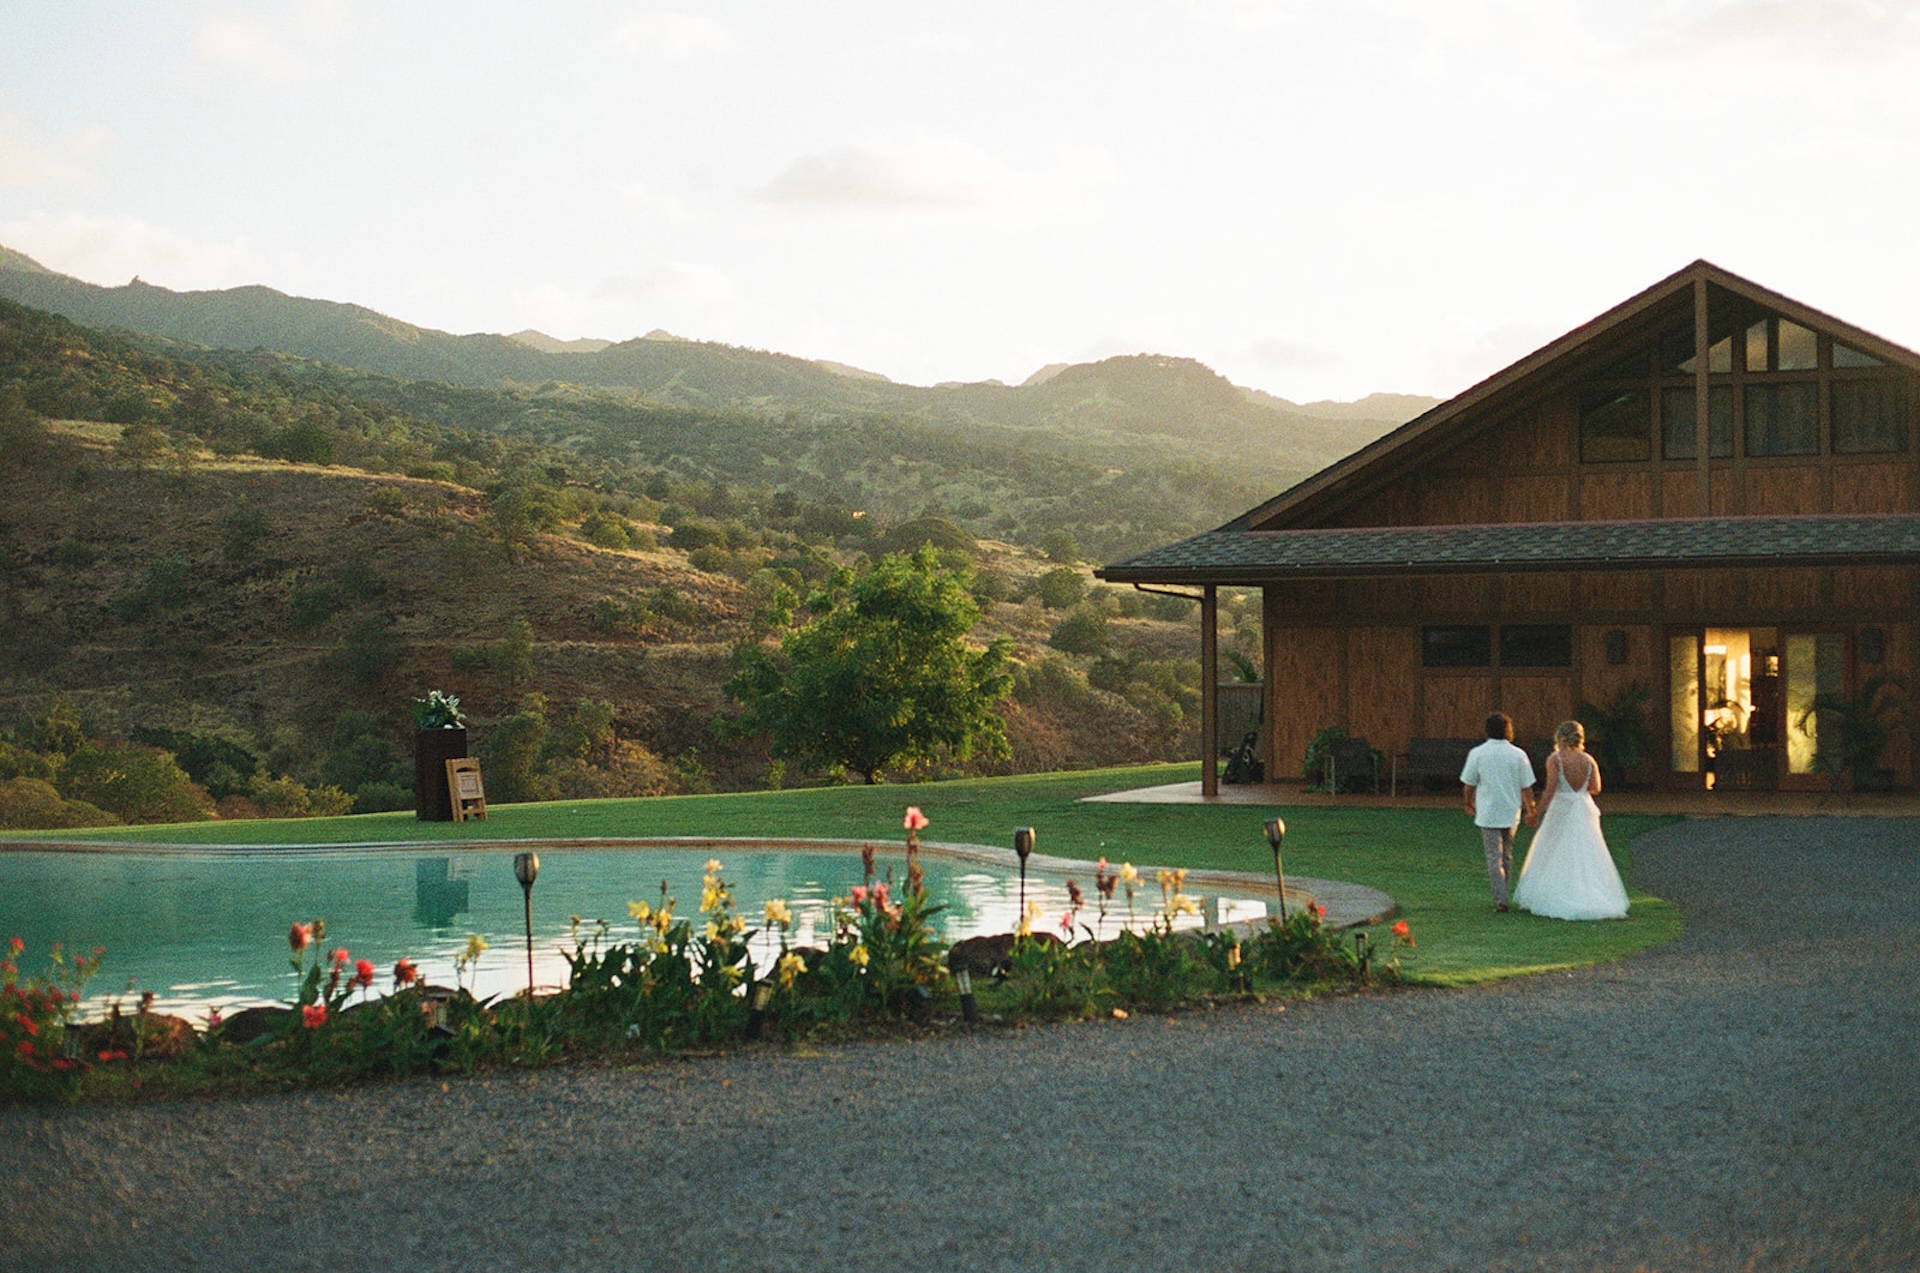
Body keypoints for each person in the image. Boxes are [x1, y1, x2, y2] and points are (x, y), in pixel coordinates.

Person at [1513, 720, 1630, 921]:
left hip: (1562, 806)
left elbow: (1550, 789)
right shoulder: (1588, 760)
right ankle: (1592, 895)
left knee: (1554, 848)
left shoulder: (1556, 759)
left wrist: (1535, 812)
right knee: (1586, 850)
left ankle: (1556, 894)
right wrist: (1580, 791)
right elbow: (1596, 788)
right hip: (1583, 806)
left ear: (1559, 737)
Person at [1460, 712, 1537, 913]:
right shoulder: (1518, 755)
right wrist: (1531, 809)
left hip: (1488, 812)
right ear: (1508, 731)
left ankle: (1500, 899)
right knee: (1507, 855)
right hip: (1511, 811)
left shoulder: (1477, 753)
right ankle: (1503, 894)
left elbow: (1469, 784)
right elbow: (1526, 787)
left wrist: (1468, 803)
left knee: (1493, 856)